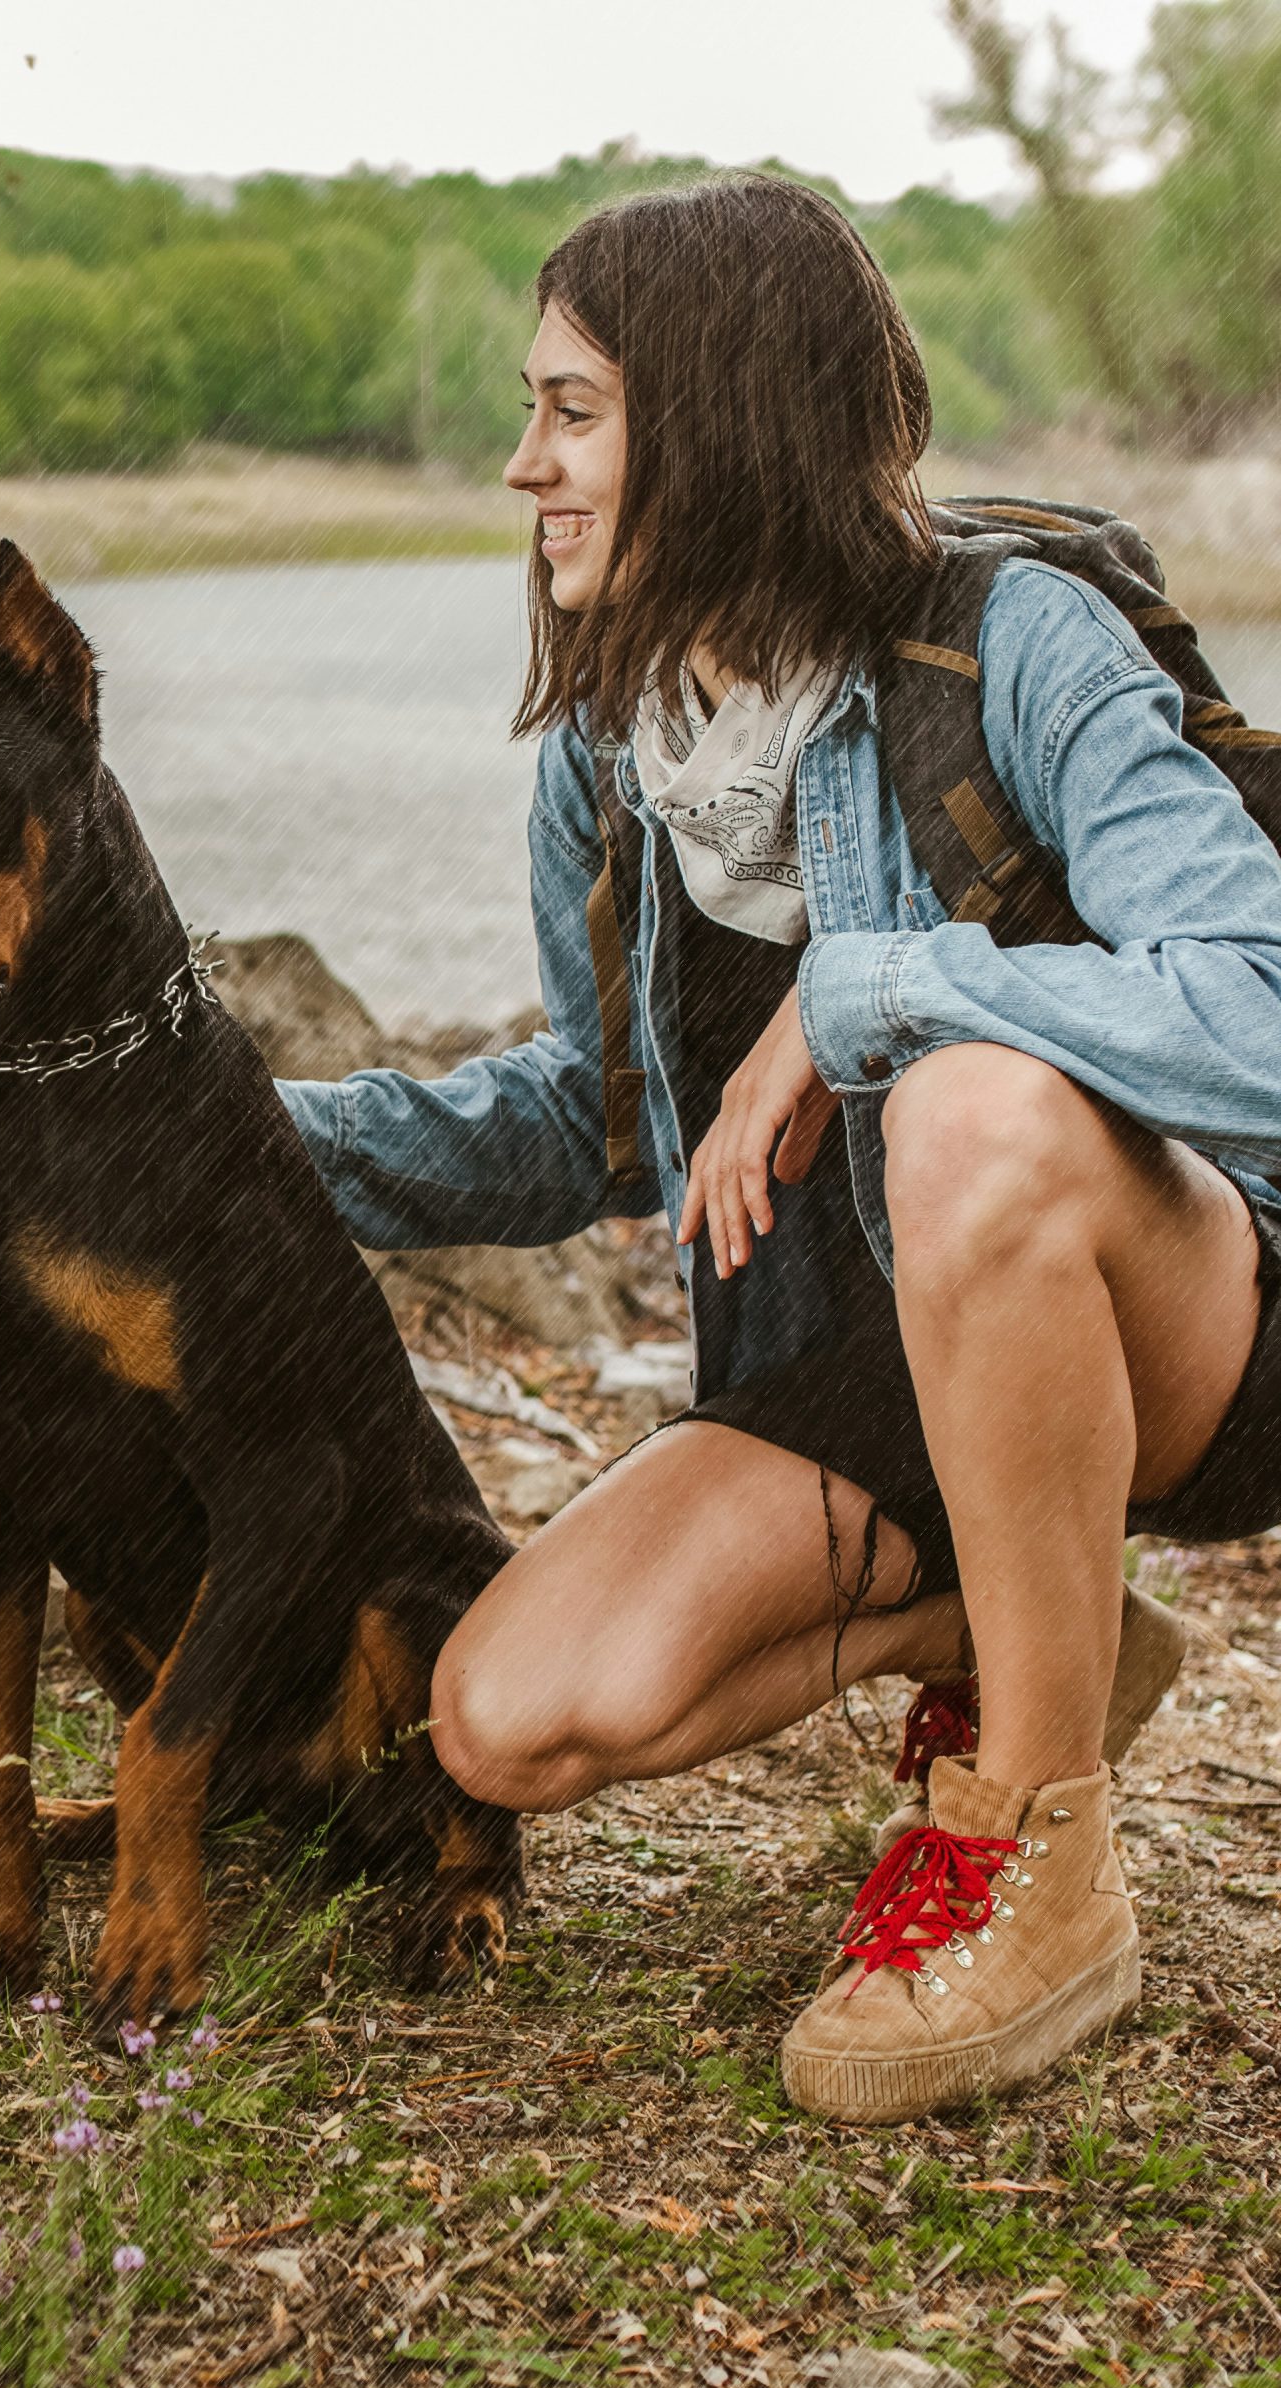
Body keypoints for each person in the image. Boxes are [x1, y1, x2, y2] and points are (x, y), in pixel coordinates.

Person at [280, 173, 1281, 2122]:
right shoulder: (617, 741)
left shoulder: (1011, 647)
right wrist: (233, 1141)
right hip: (870, 1366)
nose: (521, 466)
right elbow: (589, 1119)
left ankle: (1034, 1845)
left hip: (1197, 1335)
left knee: (977, 1109)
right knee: (505, 1714)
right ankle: (1037, 1617)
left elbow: (1258, 1001)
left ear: (720, 413)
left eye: (568, 410)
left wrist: (876, 990)